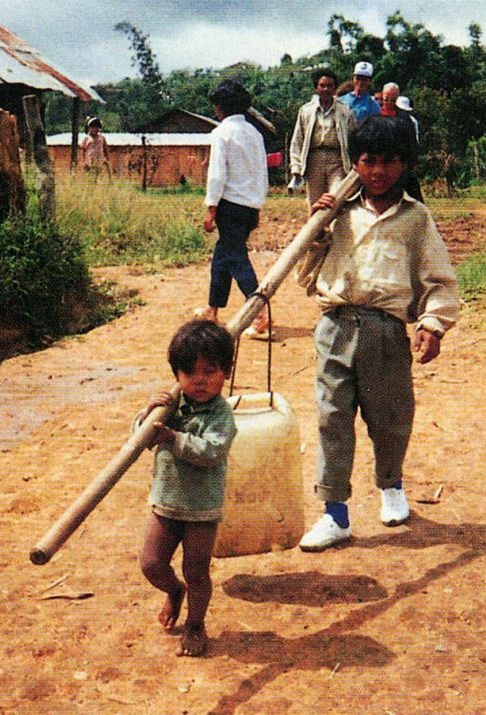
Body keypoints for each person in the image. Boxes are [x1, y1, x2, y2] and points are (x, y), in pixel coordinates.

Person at [297, 116, 461, 552]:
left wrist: (432, 324)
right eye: (368, 161)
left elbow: (439, 279)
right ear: (356, 163)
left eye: (389, 161)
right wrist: (317, 230)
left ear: (404, 164)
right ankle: (335, 513)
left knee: (389, 420)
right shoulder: (340, 214)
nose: (378, 171)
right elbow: (306, 273)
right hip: (335, 326)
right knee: (332, 419)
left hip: (385, 331)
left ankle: (391, 486)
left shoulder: (415, 218)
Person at [136, 320, 237, 657]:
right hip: (166, 502)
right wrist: (147, 414)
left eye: (210, 371)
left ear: (226, 372)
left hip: (201, 509)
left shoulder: (221, 414)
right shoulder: (171, 406)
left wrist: (174, 438)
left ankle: (195, 624)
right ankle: (172, 591)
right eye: (190, 372)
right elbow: (139, 440)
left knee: (196, 571)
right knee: (151, 563)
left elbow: (210, 451)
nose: (200, 380)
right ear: (176, 374)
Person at [198, 80, 271, 339]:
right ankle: (212, 309)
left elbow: (217, 174)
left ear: (219, 108)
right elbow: (262, 172)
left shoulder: (221, 134)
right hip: (249, 205)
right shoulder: (255, 133)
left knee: (236, 258)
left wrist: (211, 208)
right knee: (222, 257)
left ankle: (259, 311)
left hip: (230, 205)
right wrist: (258, 203)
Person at [289, 69, 356, 207]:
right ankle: (316, 229)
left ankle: (336, 228)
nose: (326, 89)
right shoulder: (306, 111)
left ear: (335, 88)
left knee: (336, 199)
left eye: (330, 86)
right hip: (314, 160)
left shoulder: (345, 111)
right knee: (315, 202)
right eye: (322, 85)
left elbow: (354, 139)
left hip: (337, 160)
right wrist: (296, 166)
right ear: (316, 88)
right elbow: (297, 140)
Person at [379, 84, 424, 203]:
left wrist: (408, 165)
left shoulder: (405, 120)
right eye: (386, 99)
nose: (389, 102)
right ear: (382, 97)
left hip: (399, 166)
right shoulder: (374, 115)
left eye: (392, 100)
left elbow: (412, 145)